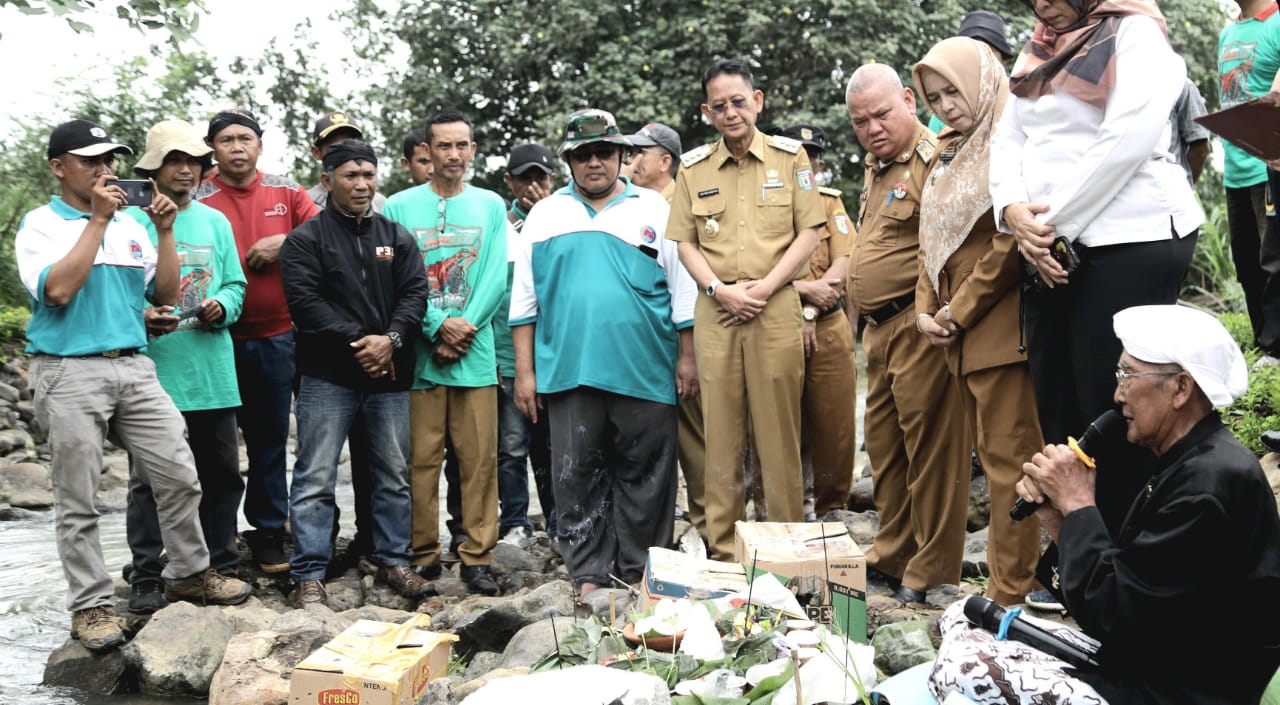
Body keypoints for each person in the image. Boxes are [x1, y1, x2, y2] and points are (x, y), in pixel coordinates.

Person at [932, 305, 1280, 705]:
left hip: (1182, 690)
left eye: (1128, 376)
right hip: (1149, 662)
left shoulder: (1207, 484)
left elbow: (1116, 616)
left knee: (962, 665)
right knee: (963, 615)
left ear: (1181, 389)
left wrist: (1080, 502)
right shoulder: (1192, 460)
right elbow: (1121, 592)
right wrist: (1059, 514)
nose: (1117, 395)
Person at [17, 119, 252, 651]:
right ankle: (92, 605)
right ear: (59, 167)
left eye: (109, 161)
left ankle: (190, 574)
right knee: (78, 499)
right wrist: (96, 222)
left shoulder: (130, 223)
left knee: (179, 474)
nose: (104, 171)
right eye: (90, 161)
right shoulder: (41, 225)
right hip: (68, 368)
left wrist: (164, 232)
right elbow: (56, 291)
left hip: (136, 365)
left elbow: (164, 293)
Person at [990, 0, 1204, 540]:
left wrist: (1049, 228)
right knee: (1058, 407)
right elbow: (1008, 136)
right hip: (1050, 245)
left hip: (1129, 239)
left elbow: (1124, 142)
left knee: (1112, 407)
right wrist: (1013, 211)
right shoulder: (1038, 45)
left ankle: (1128, 560)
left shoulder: (1135, 35)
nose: (1040, 5)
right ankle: (1079, 556)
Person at [511, 108, 696, 596]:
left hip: (646, 366)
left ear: (621, 155)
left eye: (604, 152)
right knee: (575, 476)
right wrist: (525, 374)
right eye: (582, 154)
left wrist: (687, 358)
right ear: (569, 160)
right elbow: (524, 301)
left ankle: (639, 571)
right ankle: (588, 574)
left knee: (649, 476)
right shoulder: (545, 215)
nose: (594, 162)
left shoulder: (656, 209)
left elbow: (683, 291)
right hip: (568, 370)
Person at [667, 59, 824, 560]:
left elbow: (809, 232)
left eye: (739, 101)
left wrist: (767, 287)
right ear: (706, 112)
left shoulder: (791, 158)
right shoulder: (692, 170)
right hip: (717, 310)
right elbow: (685, 244)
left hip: (775, 306)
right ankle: (725, 552)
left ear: (758, 101)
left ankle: (783, 549)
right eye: (719, 105)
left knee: (779, 432)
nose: (730, 112)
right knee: (721, 432)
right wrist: (718, 290)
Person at [911, 39, 1043, 606]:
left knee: (1015, 465)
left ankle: (1012, 592)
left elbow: (1009, 247)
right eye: (934, 97)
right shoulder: (946, 154)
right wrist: (923, 311)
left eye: (953, 92)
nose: (944, 106)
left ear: (983, 84)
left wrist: (956, 312)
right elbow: (929, 242)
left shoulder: (1011, 145)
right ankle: (1009, 584)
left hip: (997, 333)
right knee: (994, 464)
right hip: (954, 338)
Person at [278, 140, 431, 606]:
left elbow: (415, 295)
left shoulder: (397, 236)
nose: (362, 184)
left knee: (392, 473)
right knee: (315, 476)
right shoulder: (305, 240)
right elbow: (306, 306)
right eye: (350, 175)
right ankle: (309, 572)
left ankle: (394, 562)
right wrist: (361, 341)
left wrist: (392, 341)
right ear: (327, 181)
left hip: (388, 375)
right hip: (327, 377)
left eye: (368, 174)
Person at [845, 63, 970, 604]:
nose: (872, 127)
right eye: (859, 120)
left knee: (933, 450)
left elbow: (945, 248)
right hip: (877, 332)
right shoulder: (877, 167)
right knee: (886, 450)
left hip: (918, 325)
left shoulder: (934, 157)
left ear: (907, 101)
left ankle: (936, 570)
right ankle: (893, 553)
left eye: (881, 114)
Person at [123, 120, 248, 614]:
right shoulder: (128, 223)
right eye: (173, 161)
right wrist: (142, 316)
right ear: (152, 169)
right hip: (154, 375)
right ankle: (147, 575)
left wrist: (222, 303)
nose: (184, 170)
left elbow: (237, 285)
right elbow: (117, 294)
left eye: (192, 162)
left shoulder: (216, 222)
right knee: (149, 481)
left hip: (212, 372)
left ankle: (218, 564)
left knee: (220, 474)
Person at [383, 111, 508, 596]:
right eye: (443, 147)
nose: (453, 155)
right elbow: (396, 281)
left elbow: (495, 274)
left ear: (473, 151)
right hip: (420, 356)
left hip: (473, 355)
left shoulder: (490, 205)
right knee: (419, 461)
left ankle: (477, 555)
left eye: (462, 146)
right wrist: (437, 325)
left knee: (479, 460)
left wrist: (466, 327)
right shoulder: (398, 207)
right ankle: (423, 555)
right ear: (427, 152)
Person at [196, 109, 320, 573]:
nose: (236, 147)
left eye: (245, 138)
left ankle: (269, 534)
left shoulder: (286, 191)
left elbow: (327, 233)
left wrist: (284, 242)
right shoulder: (198, 194)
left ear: (259, 146)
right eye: (226, 139)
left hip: (276, 336)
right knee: (212, 447)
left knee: (269, 441)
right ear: (213, 148)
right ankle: (213, 542)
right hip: (212, 340)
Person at [625, 122, 707, 536]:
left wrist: (688, 353)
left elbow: (689, 283)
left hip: (686, 337)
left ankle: (709, 525)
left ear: (664, 160)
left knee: (695, 436)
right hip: (646, 344)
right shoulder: (634, 204)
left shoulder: (684, 203)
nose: (631, 160)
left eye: (640, 152)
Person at [779, 123, 857, 521]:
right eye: (795, 154)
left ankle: (832, 513)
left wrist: (811, 304)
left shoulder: (830, 204)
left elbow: (845, 260)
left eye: (810, 155)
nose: (803, 162)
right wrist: (803, 293)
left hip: (827, 325)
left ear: (820, 163)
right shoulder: (767, 206)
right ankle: (782, 515)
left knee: (835, 426)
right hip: (775, 323)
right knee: (777, 426)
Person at [493, 143, 557, 547]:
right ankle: (515, 522)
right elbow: (496, 296)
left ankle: (558, 522)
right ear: (509, 181)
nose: (533, 186)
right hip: (508, 353)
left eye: (541, 177)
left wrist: (549, 213)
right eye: (524, 178)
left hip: (555, 356)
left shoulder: (563, 220)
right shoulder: (499, 225)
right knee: (511, 446)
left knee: (554, 446)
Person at [1219, 0, 1280, 355]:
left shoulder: (1276, 22)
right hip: (1234, 170)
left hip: (1267, 165)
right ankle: (1262, 342)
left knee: (1273, 260)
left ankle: (1275, 349)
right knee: (1245, 261)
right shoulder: (1228, 31)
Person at [927, 10, 1014, 133]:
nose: (979, 60)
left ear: (1004, 58)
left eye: (988, 52)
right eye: (970, 55)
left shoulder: (1022, 98)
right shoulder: (943, 113)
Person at [307, 110, 387, 212]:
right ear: (316, 152)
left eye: (351, 143)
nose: (345, 151)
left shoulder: (379, 203)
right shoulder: (304, 202)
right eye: (335, 146)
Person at [1170, 78, 1211, 185]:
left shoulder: (1180, 84)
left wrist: (1183, 186)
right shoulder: (1124, 84)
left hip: (1169, 188)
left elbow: (1201, 149)